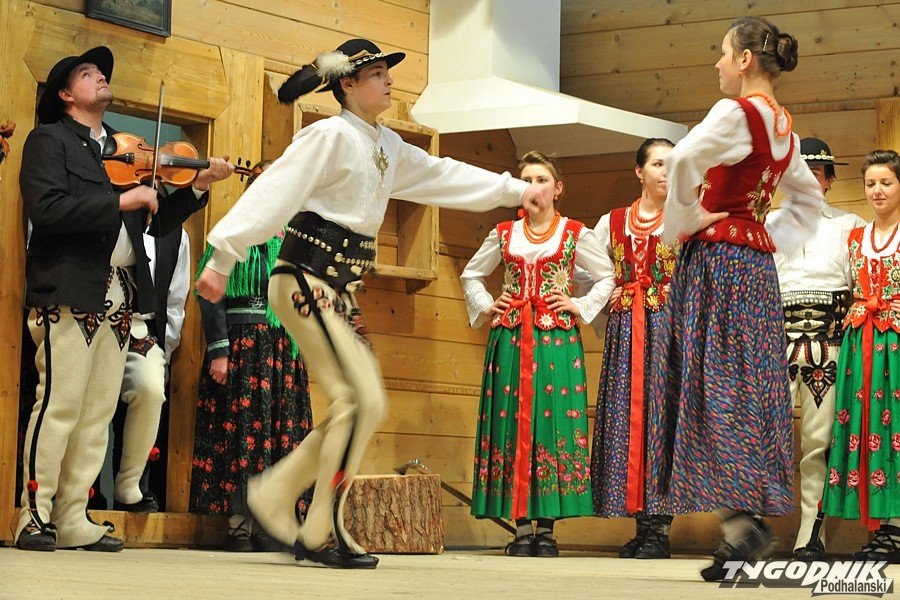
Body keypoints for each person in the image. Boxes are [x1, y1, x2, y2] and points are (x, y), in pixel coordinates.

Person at [196, 38, 547, 569]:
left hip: (338, 289)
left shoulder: (387, 146)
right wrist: (223, 257)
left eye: (387, 72)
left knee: (367, 404)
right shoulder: (329, 135)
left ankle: (275, 492)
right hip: (303, 280)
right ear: (348, 83)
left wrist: (512, 189)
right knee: (357, 401)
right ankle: (321, 528)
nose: (389, 81)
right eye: (378, 73)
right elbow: (275, 192)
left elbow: (442, 174)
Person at [16, 46, 232, 552]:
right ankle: (34, 513)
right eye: (87, 73)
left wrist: (195, 188)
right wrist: (119, 201)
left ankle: (73, 515)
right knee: (60, 404)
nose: (100, 77)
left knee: (96, 414)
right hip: (69, 287)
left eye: (102, 73)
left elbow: (158, 220)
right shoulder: (49, 140)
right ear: (66, 94)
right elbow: (47, 210)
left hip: (120, 294)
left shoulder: (122, 151)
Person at [642, 17, 825, 581]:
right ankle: (739, 523)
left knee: (708, 382)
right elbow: (809, 203)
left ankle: (741, 522)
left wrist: (687, 219)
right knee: (745, 387)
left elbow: (682, 159)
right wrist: (765, 235)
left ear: (745, 60)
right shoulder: (785, 129)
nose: (718, 64)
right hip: (755, 271)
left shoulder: (736, 112)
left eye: (723, 53)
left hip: (717, 263)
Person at [461, 151, 614, 557]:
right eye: (527, 180)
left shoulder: (576, 233)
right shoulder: (504, 233)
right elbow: (471, 273)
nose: (534, 187)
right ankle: (521, 529)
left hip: (556, 339)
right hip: (510, 337)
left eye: (542, 179)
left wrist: (578, 305)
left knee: (552, 423)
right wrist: (488, 304)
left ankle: (545, 528)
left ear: (558, 188)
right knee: (511, 421)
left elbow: (607, 277)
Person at [190, 161, 313, 552]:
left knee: (281, 436)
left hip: (284, 350)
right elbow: (209, 293)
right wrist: (219, 350)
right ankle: (239, 525)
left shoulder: (295, 241)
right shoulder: (234, 233)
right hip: (245, 348)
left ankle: (271, 523)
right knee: (244, 434)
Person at [768, 138, 865, 561]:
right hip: (774, 343)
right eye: (797, 173)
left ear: (829, 180)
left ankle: (811, 532)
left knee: (818, 441)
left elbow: (862, 285)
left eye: (816, 173)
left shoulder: (849, 226)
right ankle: (749, 528)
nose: (806, 180)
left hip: (830, 343)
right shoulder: (768, 226)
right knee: (762, 435)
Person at [591, 138, 677, 559]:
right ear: (639, 171)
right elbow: (586, 270)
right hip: (626, 331)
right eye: (658, 164)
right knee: (628, 420)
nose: (666, 172)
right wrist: (602, 295)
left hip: (667, 330)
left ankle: (660, 527)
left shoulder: (684, 217)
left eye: (672, 164)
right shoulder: (612, 222)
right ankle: (641, 525)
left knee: (662, 421)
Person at [823, 149, 900, 563]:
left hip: (897, 343)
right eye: (870, 184)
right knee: (868, 427)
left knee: (895, 425)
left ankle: (896, 527)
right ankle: (883, 528)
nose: (877, 191)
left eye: (886, 182)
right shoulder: (855, 238)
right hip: (861, 341)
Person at [109, 227, 192, 512]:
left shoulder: (175, 233)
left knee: (151, 389)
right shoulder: (104, 210)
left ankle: (131, 486)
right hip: (98, 320)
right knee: (89, 402)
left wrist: (164, 351)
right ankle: (83, 492)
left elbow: (175, 301)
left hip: (142, 327)